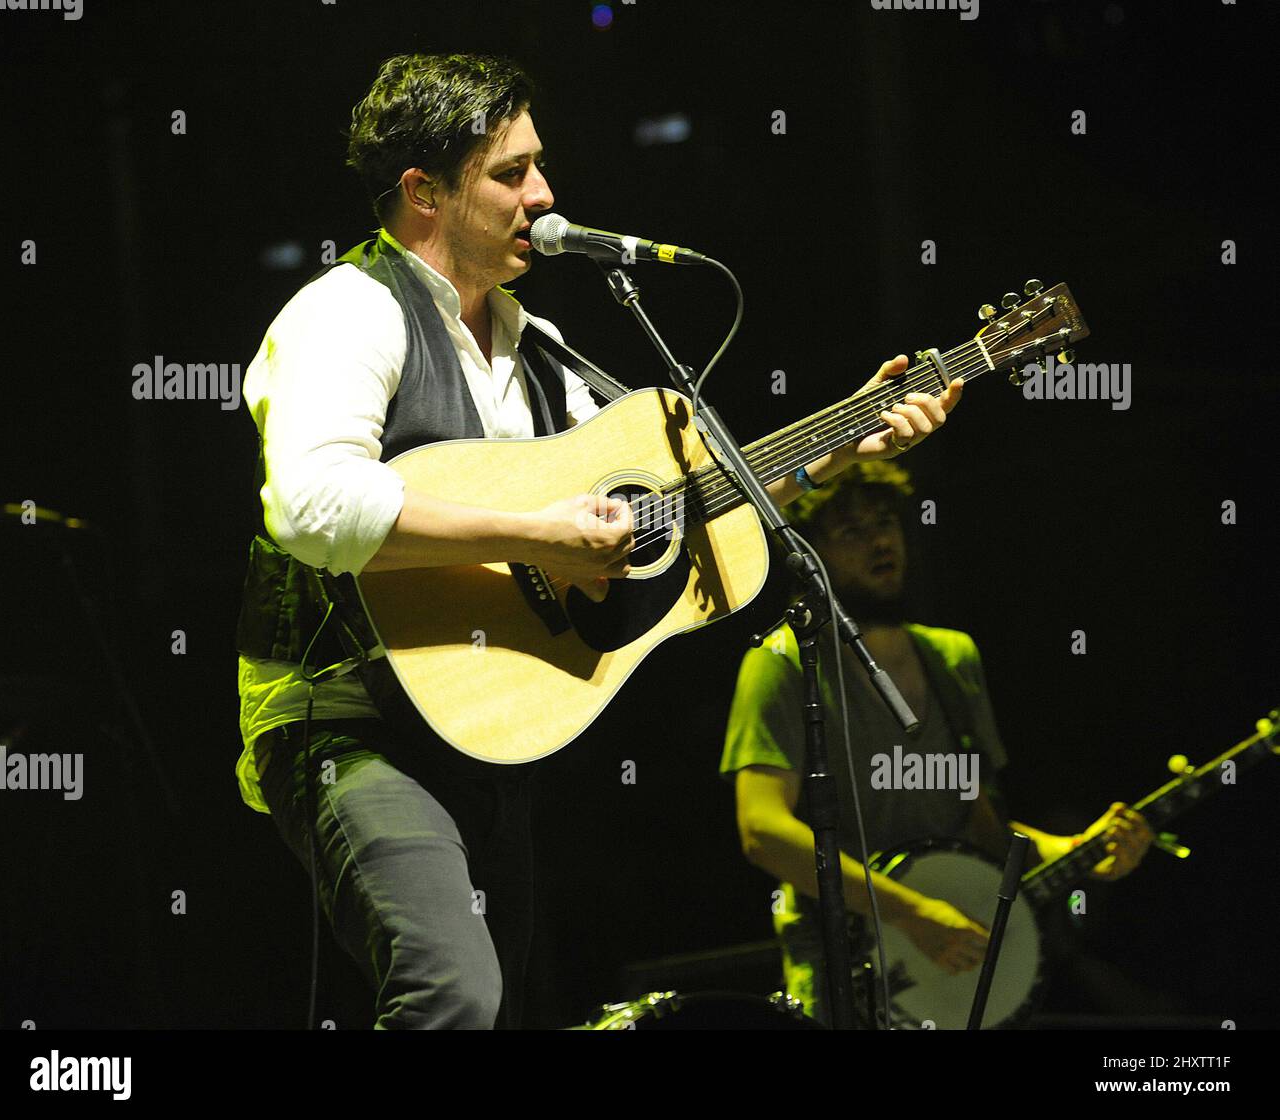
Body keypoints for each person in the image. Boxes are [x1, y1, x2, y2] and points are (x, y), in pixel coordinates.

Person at [232, 51, 964, 1029]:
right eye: (508, 173)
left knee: (510, 1008)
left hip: (485, 729)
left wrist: (842, 445)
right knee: (453, 990)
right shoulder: (349, 313)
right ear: (421, 193)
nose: (542, 193)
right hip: (349, 723)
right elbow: (314, 508)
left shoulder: (537, 349)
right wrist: (539, 535)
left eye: (537, 164)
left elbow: (684, 499)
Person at [720, 459, 1155, 1025]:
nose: (880, 541)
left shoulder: (952, 658)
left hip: (956, 972)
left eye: (885, 523)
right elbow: (763, 832)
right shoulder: (780, 662)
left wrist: (1077, 850)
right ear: (811, 555)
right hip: (847, 974)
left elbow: (983, 831)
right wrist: (911, 913)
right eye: (851, 531)